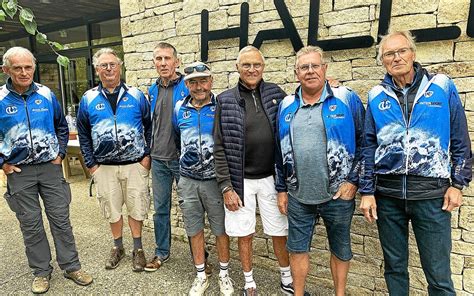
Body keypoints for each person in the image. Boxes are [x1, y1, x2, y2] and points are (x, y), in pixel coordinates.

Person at [359, 30, 472, 296]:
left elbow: (460, 138)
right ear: (382, 60)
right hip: (388, 197)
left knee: (438, 274)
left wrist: (458, 183)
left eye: (401, 51)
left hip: (432, 197)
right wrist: (366, 191)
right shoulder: (376, 94)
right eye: (389, 53)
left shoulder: (441, 86)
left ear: (413, 53)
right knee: (395, 268)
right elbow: (368, 145)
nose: (396, 57)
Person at [0, 46, 92, 294]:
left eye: (28, 67)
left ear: (34, 67)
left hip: (51, 170)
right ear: (6, 70)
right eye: (17, 68)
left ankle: (72, 266)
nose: (23, 72)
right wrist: (3, 163)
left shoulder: (46, 94)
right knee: (31, 225)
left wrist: (60, 154)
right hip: (19, 173)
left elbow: (61, 126)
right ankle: (41, 272)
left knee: (61, 220)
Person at [275, 46, 365, 296]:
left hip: (337, 195)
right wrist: (282, 188)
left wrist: (353, 181)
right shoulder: (286, 105)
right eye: (304, 67)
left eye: (315, 66)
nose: (310, 71)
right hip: (298, 195)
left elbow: (365, 141)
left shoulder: (346, 98)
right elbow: (278, 150)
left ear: (324, 69)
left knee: (340, 249)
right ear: (296, 73)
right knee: (297, 249)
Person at [213, 45, 293, 295]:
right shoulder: (225, 100)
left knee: (279, 231)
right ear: (237, 68)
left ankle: (286, 278)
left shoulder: (276, 94)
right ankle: (248, 281)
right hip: (240, 181)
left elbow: (299, 106)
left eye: (256, 64)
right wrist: (226, 186)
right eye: (246, 65)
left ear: (263, 67)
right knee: (244, 233)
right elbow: (218, 146)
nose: (251, 69)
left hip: (272, 178)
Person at [76, 48, 152, 272]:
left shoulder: (137, 95)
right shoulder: (88, 98)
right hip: (104, 168)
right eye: (103, 65)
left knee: (137, 206)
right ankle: (118, 246)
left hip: (135, 164)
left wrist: (146, 156)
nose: (108, 69)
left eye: (112, 64)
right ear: (97, 69)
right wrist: (91, 165)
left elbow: (150, 127)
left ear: (120, 66)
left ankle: (138, 249)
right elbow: (83, 133)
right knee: (112, 209)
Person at [145, 42, 211, 273]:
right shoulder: (152, 90)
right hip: (158, 160)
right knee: (161, 209)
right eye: (158, 59)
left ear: (177, 61)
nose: (163, 63)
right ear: (154, 62)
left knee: (192, 209)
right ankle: (161, 252)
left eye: (167, 58)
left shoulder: (188, 86)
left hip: (183, 161)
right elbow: (149, 124)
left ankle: (201, 257)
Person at [173, 61, 234, 296]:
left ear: (211, 82)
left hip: (215, 181)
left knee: (220, 229)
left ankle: (224, 274)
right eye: (193, 82)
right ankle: (200, 275)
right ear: (187, 84)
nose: (199, 86)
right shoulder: (179, 108)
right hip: (188, 180)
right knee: (194, 228)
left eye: (203, 81)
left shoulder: (222, 106)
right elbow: (177, 139)